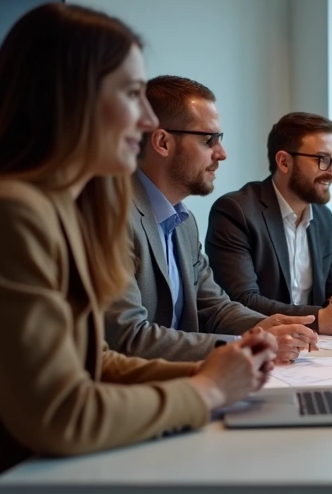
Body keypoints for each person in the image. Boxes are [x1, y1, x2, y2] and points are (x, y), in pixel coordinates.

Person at [0, 3, 278, 494]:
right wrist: (204, 391)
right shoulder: (5, 215)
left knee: (261, 486)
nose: (149, 120)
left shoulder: (53, 207)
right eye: (131, 95)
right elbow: (62, 414)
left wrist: (219, 376)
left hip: (55, 478)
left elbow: (90, 361)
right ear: (71, 99)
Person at [104, 76, 317, 363]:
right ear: (163, 142)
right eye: (208, 140)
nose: (222, 153)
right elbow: (128, 336)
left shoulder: (184, 221)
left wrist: (264, 327)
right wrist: (243, 347)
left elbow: (214, 306)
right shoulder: (113, 217)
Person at [205, 112, 332, 335]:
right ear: (284, 162)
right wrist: (319, 319)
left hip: (315, 350)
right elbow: (242, 301)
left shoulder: (322, 217)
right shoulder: (236, 211)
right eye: (322, 160)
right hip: (261, 349)